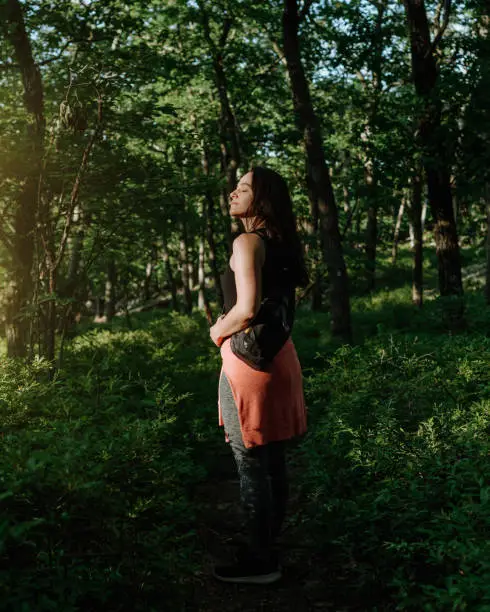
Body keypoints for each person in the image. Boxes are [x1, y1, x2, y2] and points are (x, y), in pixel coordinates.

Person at [209, 166, 308, 585]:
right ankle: (267, 546)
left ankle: (260, 561)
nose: (234, 192)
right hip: (281, 357)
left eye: (244, 188)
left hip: (249, 365)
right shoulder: (281, 243)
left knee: (250, 461)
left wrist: (217, 330)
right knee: (273, 461)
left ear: (262, 198)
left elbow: (247, 308)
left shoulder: (247, 241)